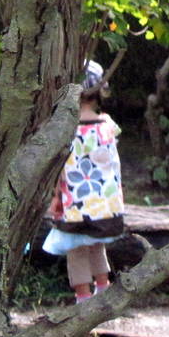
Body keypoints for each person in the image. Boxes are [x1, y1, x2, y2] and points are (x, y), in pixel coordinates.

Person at [42, 61, 125, 301]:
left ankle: (83, 299)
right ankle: (103, 288)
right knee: (96, 245)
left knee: (76, 250)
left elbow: (63, 170)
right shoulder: (108, 125)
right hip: (106, 207)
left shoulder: (67, 130)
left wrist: (56, 198)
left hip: (76, 206)